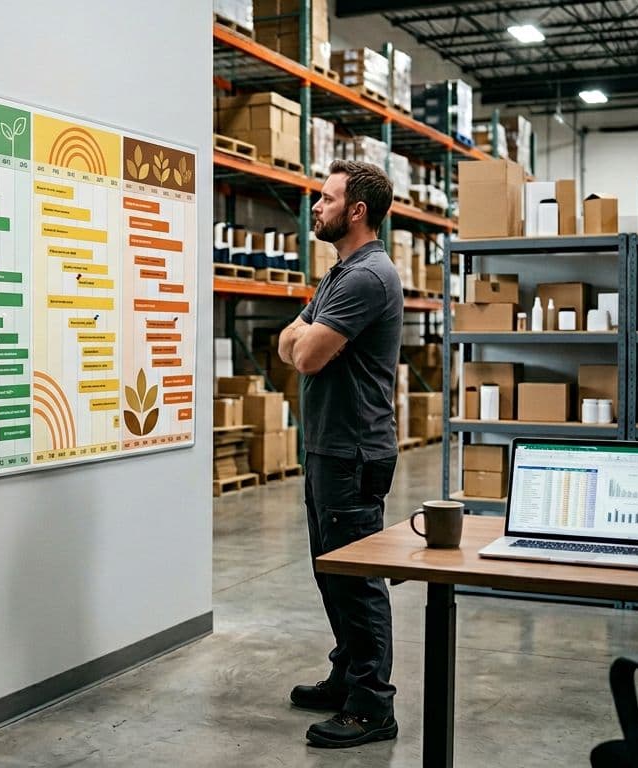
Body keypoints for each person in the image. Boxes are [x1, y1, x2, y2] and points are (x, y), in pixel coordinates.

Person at [276, 159, 403, 749]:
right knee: (332, 571)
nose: (316, 208)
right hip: (329, 446)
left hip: (353, 451)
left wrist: (309, 337)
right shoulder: (338, 275)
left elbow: (303, 356)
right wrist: (308, 335)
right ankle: (347, 675)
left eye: (325, 199)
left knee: (357, 580)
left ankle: (373, 705)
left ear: (357, 211)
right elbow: (287, 339)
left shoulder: (366, 278)